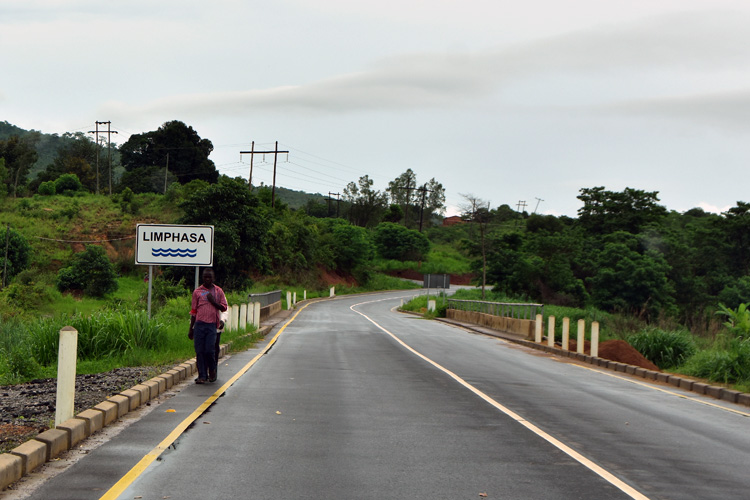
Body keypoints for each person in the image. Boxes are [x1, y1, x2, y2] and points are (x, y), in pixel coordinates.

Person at [189, 268, 227, 384]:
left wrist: (213, 302)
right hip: (199, 325)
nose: (207, 279)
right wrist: (191, 329)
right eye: (205, 277)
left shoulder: (218, 291)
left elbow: (224, 307)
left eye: (209, 277)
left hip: (211, 325)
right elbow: (194, 312)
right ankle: (202, 376)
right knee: (199, 351)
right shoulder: (197, 292)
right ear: (202, 278)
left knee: (209, 350)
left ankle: (212, 369)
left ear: (213, 278)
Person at [215, 307, 229, 377]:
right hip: (202, 325)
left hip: (216, 326)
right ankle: (202, 374)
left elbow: (225, 309)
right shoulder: (199, 295)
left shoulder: (220, 295)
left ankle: (213, 370)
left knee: (214, 348)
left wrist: (222, 320)